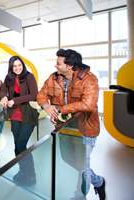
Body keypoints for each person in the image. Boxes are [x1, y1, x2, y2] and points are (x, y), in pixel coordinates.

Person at [37, 49, 105, 200]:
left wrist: (61, 109)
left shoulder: (89, 79)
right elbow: (41, 95)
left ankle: (79, 196)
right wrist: (47, 106)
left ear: (69, 66)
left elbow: (89, 104)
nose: (55, 66)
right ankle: (98, 181)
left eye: (58, 63)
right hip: (64, 128)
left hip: (85, 128)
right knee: (69, 159)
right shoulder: (53, 78)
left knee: (82, 164)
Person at [0, 55, 38, 185]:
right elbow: (3, 89)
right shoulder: (8, 78)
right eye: (14, 66)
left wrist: (14, 100)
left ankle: (31, 175)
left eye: (19, 65)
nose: (17, 68)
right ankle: (23, 171)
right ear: (11, 67)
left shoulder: (29, 76)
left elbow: (33, 95)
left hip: (28, 114)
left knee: (21, 144)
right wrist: (4, 97)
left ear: (23, 65)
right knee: (17, 145)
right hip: (14, 114)